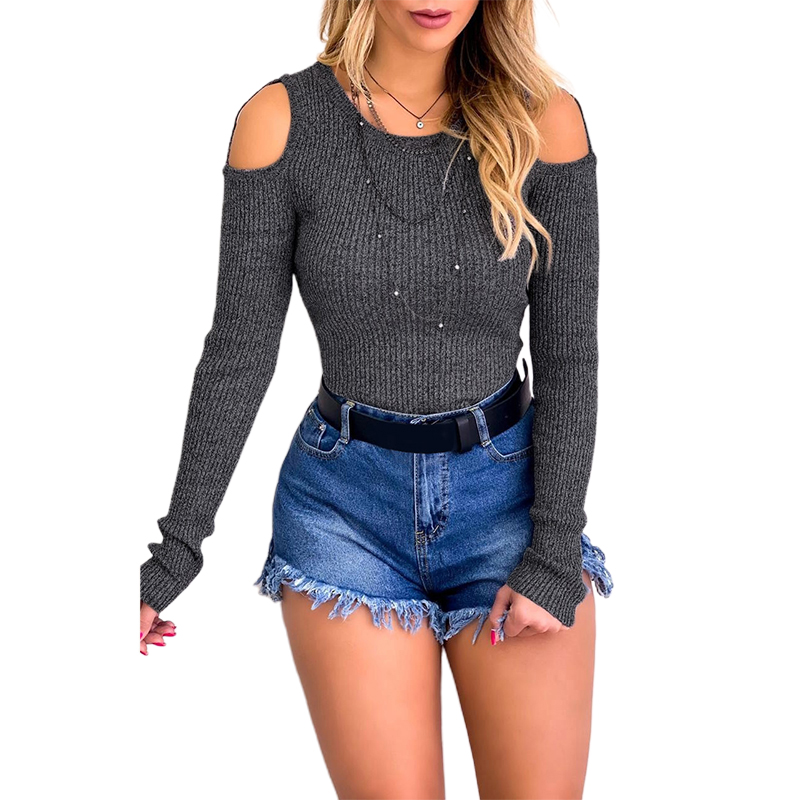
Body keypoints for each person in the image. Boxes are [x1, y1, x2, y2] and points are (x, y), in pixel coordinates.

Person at [139, 1, 614, 796]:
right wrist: (173, 555)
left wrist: (553, 549)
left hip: (513, 508)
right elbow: (239, 352)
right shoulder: (280, 122)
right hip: (343, 513)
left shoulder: (545, 120)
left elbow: (570, 357)